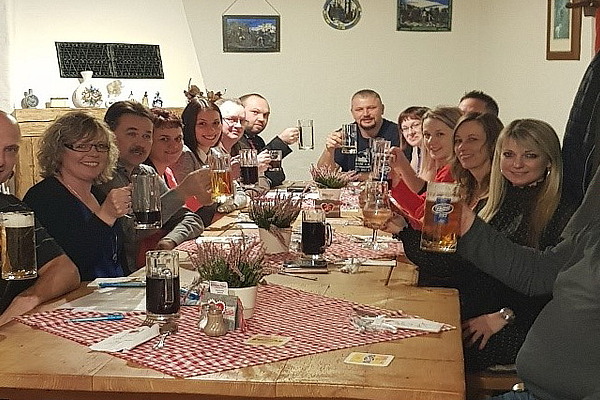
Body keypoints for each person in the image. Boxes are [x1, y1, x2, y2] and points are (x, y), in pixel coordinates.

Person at [457, 135, 600, 400]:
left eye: (530, 155)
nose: (517, 164)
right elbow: (541, 272)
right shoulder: (499, 201)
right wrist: (467, 225)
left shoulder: (560, 209)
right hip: (533, 388)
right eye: (509, 155)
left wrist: (505, 315)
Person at [100, 101, 208, 270]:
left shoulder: (146, 172)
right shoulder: (104, 175)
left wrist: (169, 240)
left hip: (150, 268)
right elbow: (131, 232)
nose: (141, 143)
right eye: (132, 134)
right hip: (122, 275)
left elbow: (191, 219)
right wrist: (182, 192)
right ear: (109, 135)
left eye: (146, 136)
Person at [24, 111, 131, 280]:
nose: (94, 153)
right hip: (76, 295)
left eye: (101, 146)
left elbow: (116, 259)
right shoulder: (43, 197)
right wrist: (105, 216)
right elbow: (69, 267)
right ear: (58, 150)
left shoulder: (99, 194)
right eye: (82, 146)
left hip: (115, 292)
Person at [0, 111, 79, 326]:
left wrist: (25, 300)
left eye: (10, 150)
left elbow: (66, 270)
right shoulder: (45, 195)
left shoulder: (12, 209)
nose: (1, 161)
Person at [388, 106, 462, 227]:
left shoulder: (453, 172)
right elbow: (421, 208)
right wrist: (396, 182)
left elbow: (428, 224)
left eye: (440, 134)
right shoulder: (445, 168)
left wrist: (388, 211)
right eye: (427, 135)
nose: (431, 141)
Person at [317, 89, 399, 177]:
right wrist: (329, 150)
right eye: (359, 109)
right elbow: (323, 175)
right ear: (352, 112)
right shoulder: (346, 135)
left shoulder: (399, 133)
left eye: (371, 108)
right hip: (351, 186)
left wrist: (357, 177)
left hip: (386, 186)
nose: (366, 114)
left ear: (382, 109)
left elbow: (401, 174)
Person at [144, 108, 201, 213]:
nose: (174, 145)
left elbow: (186, 211)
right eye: (164, 139)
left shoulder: (167, 172)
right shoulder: (143, 177)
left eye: (178, 139)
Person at [237, 93, 299, 187]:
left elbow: (277, 176)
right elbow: (245, 176)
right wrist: (281, 141)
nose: (262, 119)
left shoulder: (257, 140)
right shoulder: (234, 140)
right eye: (255, 112)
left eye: (265, 115)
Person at [397, 106, 429, 173]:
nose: (410, 132)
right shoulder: (416, 150)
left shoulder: (435, 153)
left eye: (415, 125)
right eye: (405, 128)